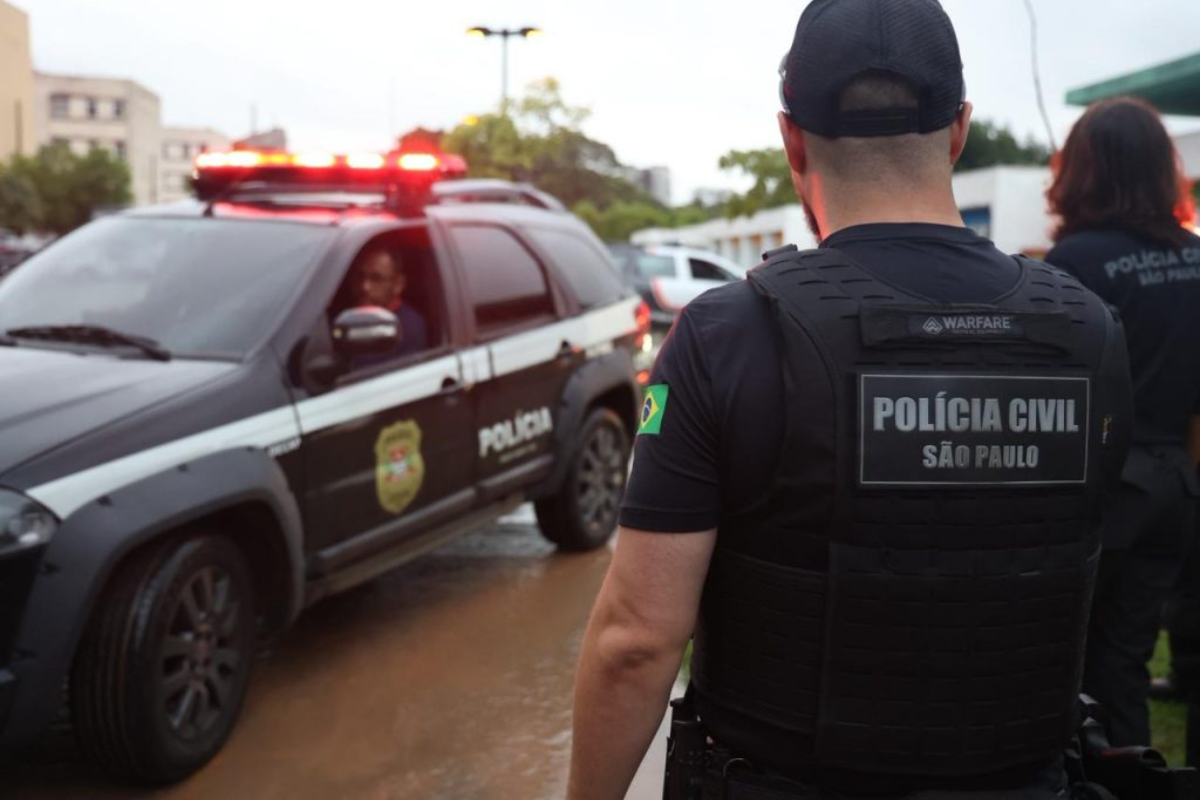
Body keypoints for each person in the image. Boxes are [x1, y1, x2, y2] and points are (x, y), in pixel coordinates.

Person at [567, 2, 1133, 798]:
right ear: (960, 127)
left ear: (791, 137)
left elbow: (636, 640)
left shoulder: (723, 335)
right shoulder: (1091, 333)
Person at [1044, 97, 1200, 754]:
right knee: (1141, 653)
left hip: (1109, 493)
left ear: (1081, 169)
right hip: (1182, 485)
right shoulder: (1196, 259)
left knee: (1094, 668)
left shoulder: (1071, 266)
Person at [346, 245, 428, 365]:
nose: (365, 287)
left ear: (398, 285)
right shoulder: (346, 314)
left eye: (377, 279)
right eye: (361, 276)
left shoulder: (409, 328)